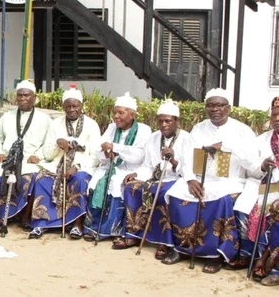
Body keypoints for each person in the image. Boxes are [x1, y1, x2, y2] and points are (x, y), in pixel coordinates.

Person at [163, 88, 260, 273]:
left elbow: (253, 164)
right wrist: (190, 180)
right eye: (210, 105)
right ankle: (181, 248)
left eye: (219, 105)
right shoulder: (199, 128)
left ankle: (216, 255)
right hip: (199, 178)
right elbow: (186, 157)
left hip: (230, 181)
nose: (215, 109)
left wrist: (227, 147)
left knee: (220, 200)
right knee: (175, 194)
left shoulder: (242, 130)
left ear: (228, 108)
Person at [117, 100, 192, 257]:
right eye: (160, 121)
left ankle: (163, 242)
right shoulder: (153, 137)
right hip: (155, 177)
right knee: (132, 187)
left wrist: (172, 160)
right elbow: (147, 165)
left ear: (176, 121)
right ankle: (133, 234)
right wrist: (137, 174)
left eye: (168, 121)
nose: (164, 125)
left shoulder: (187, 139)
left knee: (162, 193)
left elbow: (188, 170)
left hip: (176, 178)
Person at [29, 85, 101, 239]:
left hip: (83, 166)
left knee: (80, 180)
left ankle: (77, 224)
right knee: (41, 179)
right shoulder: (55, 124)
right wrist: (58, 143)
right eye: (68, 106)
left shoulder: (92, 125)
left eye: (75, 106)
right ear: (63, 107)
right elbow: (47, 154)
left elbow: (96, 156)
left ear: (81, 106)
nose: (72, 109)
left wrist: (77, 166)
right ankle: (42, 223)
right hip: (57, 164)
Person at [85, 92, 151, 241]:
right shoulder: (111, 128)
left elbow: (139, 155)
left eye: (121, 113)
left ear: (132, 115)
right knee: (96, 183)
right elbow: (99, 149)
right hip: (110, 167)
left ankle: (109, 230)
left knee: (116, 185)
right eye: (115, 112)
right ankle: (92, 227)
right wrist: (106, 152)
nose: (116, 116)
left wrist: (115, 147)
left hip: (131, 170)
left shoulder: (144, 130)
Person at [0, 80, 50, 229]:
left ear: (34, 98)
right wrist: (0, 152)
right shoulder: (7, 116)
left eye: (26, 95)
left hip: (30, 159)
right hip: (8, 158)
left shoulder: (45, 119)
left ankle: (25, 215)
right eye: (20, 95)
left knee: (33, 177)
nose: (22, 98)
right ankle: (2, 215)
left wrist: (39, 156)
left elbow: (49, 142)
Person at [248, 97, 279, 285]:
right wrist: (261, 166)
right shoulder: (261, 140)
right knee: (250, 209)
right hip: (267, 186)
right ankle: (252, 256)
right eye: (275, 115)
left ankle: (271, 265)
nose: (277, 119)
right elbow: (249, 168)